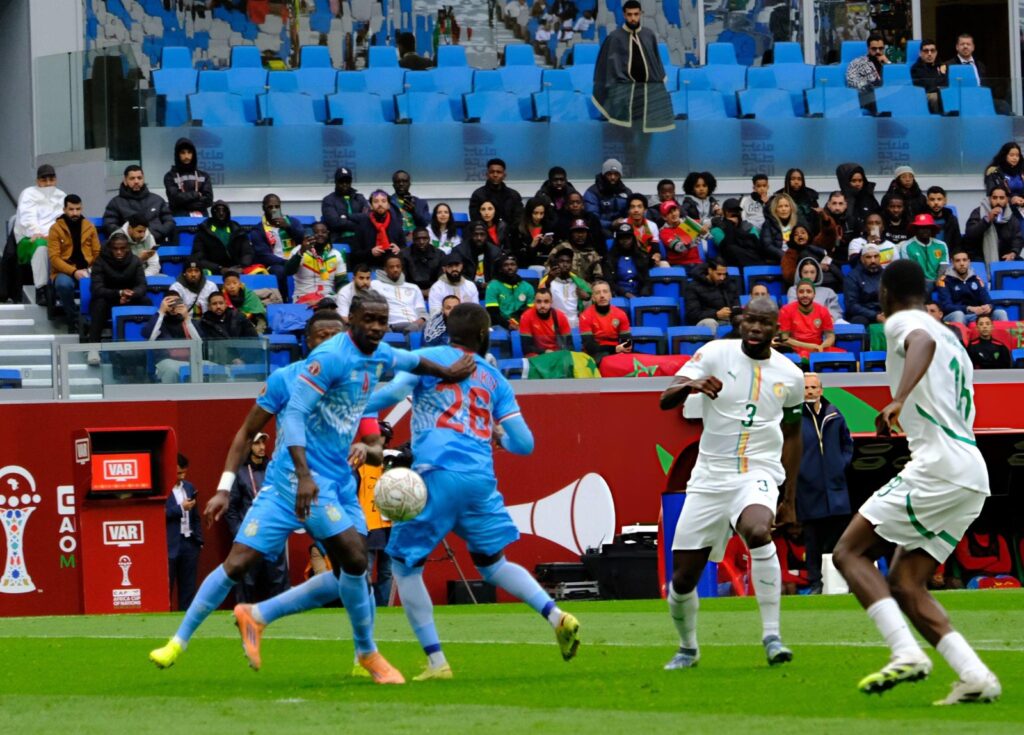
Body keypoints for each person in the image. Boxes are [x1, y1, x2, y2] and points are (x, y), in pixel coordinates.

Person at [149, 292, 475, 681]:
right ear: (313, 340)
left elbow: (406, 370)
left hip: (337, 485)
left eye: (380, 321)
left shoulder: (373, 357)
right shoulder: (295, 376)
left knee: (353, 570)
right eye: (320, 335)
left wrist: (448, 373)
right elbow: (251, 430)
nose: (328, 341)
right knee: (246, 564)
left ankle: (291, 627)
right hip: (295, 482)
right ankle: (179, 641)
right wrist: (225, 486)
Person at [363, 302, 581, 678]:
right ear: (483, 336)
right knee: (492, 563)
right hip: (480, 479)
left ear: (449, 331)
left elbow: (390, 396)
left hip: (436, 473)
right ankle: (556, 615)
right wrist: (499, 438)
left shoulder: (427, 357)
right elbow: (525, 444)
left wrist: (347, 405)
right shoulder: (495, 378)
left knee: (403, 565)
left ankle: (437, 662)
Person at [832, 259, 1001, 705]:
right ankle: (975, 676)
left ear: (885, 292)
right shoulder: (955, 339)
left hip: (938, 465)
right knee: (907, 581)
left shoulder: (907, 322)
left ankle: (905, 652)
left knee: (848, 552)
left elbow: (918, 340)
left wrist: (898, 399)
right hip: (970, 471)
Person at [658, 296, 804, 670]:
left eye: (764, 323)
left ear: (777, 329)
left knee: (758, 531)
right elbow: (664, 399)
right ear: (741, 323)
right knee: (682, 581)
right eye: (750, 321)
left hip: (758, 471)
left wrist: (789, 500)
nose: (756, 328)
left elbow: (792, 435)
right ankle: (688, 648)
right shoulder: (714, 353)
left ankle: (772, 636)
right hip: (709, 477)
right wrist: (692, 385)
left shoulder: (790, 375)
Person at [797, 373, 853, 594]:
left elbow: (847, 444)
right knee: (812, 541)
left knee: (840, 539)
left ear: (821, 390)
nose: (810, 391)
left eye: (813, 387)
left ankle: (844, 581)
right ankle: (815, 583)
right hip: (808, 489)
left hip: (836, 487)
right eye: (806, 388)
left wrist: (840, 465)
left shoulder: (835, 414)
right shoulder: (794, 417)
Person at [226, 432, 290, 604]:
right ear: (249, 446)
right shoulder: (239, 472)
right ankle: (242, 620)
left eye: (263, 443)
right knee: (246, 582)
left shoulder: (273, 469)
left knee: (278, 581)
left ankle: (282, 622)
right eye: (257, 443)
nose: (262, 447)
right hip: (250, 537)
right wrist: (240, 534)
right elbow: (231, 509)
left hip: (273, 535)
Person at [591, 0, 674, 132]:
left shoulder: (648, 35)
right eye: (629, 14)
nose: (633, 18)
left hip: (647, 91)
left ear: (640, 14)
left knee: (645, 134)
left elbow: (655, 61)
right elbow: (608, 66)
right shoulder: (614, 37)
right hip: (625, 92)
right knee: (626, 133)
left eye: (636, 14)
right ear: (624, 15)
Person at [87, 233, 150, 351]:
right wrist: (119, 293)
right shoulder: (100, 261)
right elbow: (96, 289)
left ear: (128, 248)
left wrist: (132, 294)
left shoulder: (135, 261)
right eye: (115, 249)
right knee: (99, 304)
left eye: (122, 249)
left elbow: (142, 285)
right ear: (110, 248)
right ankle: (93, 348)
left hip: (129, 298)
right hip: (108, 299)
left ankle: (149, 345)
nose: (119, 252)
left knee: (146, 301)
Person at [48, 194, 101, 333]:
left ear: (81, 208)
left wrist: (91, 269)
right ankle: (73, 319)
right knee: (63, 284)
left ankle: (92, 320)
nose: (75, 213)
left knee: (100, 283)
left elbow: (97, 253)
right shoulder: (55, 229)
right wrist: (73, 272)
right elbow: (54, 258)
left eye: (78, 209)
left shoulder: (89, 227)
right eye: (71, 209)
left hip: (87, 269)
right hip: (64, 270)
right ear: (64, 209)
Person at [15, 164, 66, 303]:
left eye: (51, 179)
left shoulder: (62, 196)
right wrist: (37, 232)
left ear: (56, 179)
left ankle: (62, 288)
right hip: (29, 239)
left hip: (53, 237)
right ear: (37, 181)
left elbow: (63, 220)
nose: (48, 183)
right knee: (41, 246)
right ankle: (41, 289)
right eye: (44, 180)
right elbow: (27, 217)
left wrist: (54, 235)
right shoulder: (28, 193)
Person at [249, 194, 307, 297]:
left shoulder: (292, 222)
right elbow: (264, 255)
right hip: (276, 263)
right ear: (263, 208)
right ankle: (284, 301)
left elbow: (303, 240)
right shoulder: (258, 230)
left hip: (297, 258)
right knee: (280, 271)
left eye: (277, 206)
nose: (274, 210)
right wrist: (287, 263)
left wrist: (288, 227)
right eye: (270, 207)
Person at [102, 165, 176, 244]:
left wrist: (158, 233)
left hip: (157, 243)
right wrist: (129, 235)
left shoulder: (157, 200)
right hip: (129, 247)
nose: (136, 181)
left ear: (143, 179)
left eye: (139, 178)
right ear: (125, 181)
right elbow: (109, 224)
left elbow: (169, 221)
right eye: (132, 178)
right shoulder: (116, 203)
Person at [167, 454, 203, 610]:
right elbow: (157, 514)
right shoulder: (162, 489)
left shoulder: (189, 487)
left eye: (184, 473)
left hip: (189, 542)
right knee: (167, 586)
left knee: (188, 588)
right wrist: (180, 508)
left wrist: (199, 540)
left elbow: (196, 516)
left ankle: (186, 623)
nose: (182, 476)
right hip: (169, 544)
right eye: (178, 473)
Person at [143, 294, 205, 383]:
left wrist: (187, 318)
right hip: (166, 361)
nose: (173, 305)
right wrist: (161, 311)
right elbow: (150, 337)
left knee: (212, 367)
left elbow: (199, 343)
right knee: (172, 369)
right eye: (170, 302)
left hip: (191, 361)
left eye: (177, 302)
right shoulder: (158, 321)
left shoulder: (189, 322)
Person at [938, 252, 1007, 325]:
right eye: (958, 260)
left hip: (976, 315)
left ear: (969, 262)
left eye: (964, 260)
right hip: (957, 316)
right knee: (958, 315)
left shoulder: (976, 279)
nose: (962, 263)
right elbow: (946, 306)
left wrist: (989, 307)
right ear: (952, 263)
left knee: (1000, 313)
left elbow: (988, 301)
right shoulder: (944, 281)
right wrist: (968, 308)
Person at [286, 222, 346, 306]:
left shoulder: (336, 255)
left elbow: (342, 283)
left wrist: (341, 300)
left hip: (329, 300)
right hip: (303, 299)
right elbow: (288, 271)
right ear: (310, 234)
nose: (320, 234)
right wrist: (301, 252)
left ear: (328, 234)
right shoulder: (298, 251)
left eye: (323, 232)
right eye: (316, 232)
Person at [777, 280, 837, 360]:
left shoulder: (823, 310)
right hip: (795, 349)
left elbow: (830, 336)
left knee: (844, 356)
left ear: (814, 294)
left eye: (808, 292)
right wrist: (808, 346)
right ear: (797, 294)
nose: (805, 295)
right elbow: (784, 339)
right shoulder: (786, 310)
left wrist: (822, 346)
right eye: (801, 292)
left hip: (818, 349)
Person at [963, 186, 1024, 263]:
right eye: (994, 198)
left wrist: (1013, 253)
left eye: (1001, 198)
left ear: (1007, 200)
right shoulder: (978, 212)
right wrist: (987, 219)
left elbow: (1017, 238)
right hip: (979, 257)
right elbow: (970, 235)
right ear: (989, 199)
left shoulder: (1011, 216)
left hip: (1004, 257)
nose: (998, 201)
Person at [191, 201, 253, 276]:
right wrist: (219, 269)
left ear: (228, 212)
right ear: (213, 212)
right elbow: (199, 258)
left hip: (238, 269)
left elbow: (247, 253)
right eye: (217, 210)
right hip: (214, 270)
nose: (221, 213)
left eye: (224, 210)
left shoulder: (238, 230)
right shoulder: (203, 231)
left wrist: (242, 266)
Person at [370, 254, 427, 333]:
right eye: (391, 267)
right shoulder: (375, 285)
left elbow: (422, 314)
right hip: (392, 326)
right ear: (385, 269)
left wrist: (416, 324)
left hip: (414, 325)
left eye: (398, 266)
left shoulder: (414, 288)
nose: (395, 269)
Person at [579, 280, 631, 364]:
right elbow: (590, 347)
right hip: (595, 355)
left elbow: (627, 343)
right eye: (597, 293)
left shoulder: (621, 314)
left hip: (617, 352)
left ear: (610, 295)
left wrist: (617, 350)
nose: (602, 295)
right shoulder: (585, 316)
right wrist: (615, 349)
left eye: (605, 292)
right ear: (593, 297)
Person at [353, 190, 405, 271]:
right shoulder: (362, 225)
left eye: (383, 201)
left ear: (388, 205)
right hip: (371, 267)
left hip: (393, 267)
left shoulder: (396, 224)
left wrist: (399, 250)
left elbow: (404, 248)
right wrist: (370, 252)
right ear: (371, 206)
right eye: (376, 201)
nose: (380, 204)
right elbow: (356, 253)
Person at [540, 247, 592, 328]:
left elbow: (590, 298)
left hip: (575, 324)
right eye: (562, 261)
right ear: (556, 263)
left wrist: (587, 297)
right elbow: (540, 298)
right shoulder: (548, 280)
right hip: (554, 323)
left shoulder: (578, 282)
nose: (565, 265)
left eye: (568, 262)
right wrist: (549, 281)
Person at [685, 258, 739, 333]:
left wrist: (733, 311)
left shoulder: (729, 284)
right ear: (710, 270)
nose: (722, 278)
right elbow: (692, 315)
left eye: (724, 274)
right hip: (705, 321)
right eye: (719, 274)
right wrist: (716, 314)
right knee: (710, 323)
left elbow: (736, 305)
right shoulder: (693, 287)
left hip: (728, 319)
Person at [163, 137, 213, 217]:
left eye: (189, 152)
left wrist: (183, 202)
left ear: (194, 154)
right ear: (177, 155)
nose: (186, 156)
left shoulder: (204, 176)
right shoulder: (170, 176)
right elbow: (174, 199)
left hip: (202, 221)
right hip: (179, 220)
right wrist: (196, 195)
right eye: (183, 153)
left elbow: (208, 200)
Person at [711, 198, 768, 269]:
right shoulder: (717, 229)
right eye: (730, 211)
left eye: (737, 211)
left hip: (750, 257)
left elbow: (756, 245)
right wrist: (730, 225)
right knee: (732, 248)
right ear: (724, 212)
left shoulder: (748, 226)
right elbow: (726, 247)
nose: (734, 213)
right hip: (729, 261)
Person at [321, 166, 369, 250]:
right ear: (335, 182)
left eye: (347, 181)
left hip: (361, 238)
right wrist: (359, 224)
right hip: (339, 239)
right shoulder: (328, 200)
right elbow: (335, 223)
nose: (344, 184)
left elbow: (368, 217)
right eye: (341, 181)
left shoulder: (360, 198)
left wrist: (347, 216)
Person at [787, 258, 844, 325]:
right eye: (805, 272)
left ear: (817, 273)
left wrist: (831, 318)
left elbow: (835, 311)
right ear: (800, 274)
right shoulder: (794, 290)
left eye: (812, 272)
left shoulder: (828, 292)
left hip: (826, 325)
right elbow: (794, 311)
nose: (809, 276)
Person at [485, 254, 535, 329]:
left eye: (512, 264)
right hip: (500, 325)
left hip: (522, 323)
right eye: (506, 265)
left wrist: (518, 323)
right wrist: (508, 325)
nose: (510, 267)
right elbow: (493, 313)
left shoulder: (528, 287)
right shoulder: (493, 286)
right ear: (501, 269)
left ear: (517, 268)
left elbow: (530, 311)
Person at [518, 287, 572, 356]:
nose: (542, 305)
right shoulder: (526, 317)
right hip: (537, 355)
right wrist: (545, 352)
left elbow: (569, 346)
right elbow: (526, 348)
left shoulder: (561, 317)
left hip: (556, 355)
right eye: (539, 301)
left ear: (551, 302)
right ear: (534, 302)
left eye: (546, 301)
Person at [469, 158, 523, 226]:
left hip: (510, 234)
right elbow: (475, 219)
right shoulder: (477, 195)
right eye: (492, 172)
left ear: (504, 175)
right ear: (487, 174)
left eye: (499, 172)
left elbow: (518, 218)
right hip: (485, 233)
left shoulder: (514, 195)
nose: (495, 175)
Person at [452, 222, 502, 294]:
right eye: (476, 234)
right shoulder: (460, 251)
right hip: (465, 288)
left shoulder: (495, 252)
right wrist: (477, 284)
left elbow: (500, 272)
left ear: (487, 235)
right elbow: (456, 273)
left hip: (490, 289)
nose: (479, 238)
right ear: (471, 235)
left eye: (482, 234)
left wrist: (494, 281)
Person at [583, 158, 631, 235]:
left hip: (623, 229)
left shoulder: (627, 192)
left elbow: (631, 213)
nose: (613, 177)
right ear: (603, 175)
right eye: (609, 174)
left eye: (616, 174)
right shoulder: (592, 193)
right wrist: (611, 224)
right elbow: (592, 219)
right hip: (601, 231)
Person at [900, 214, 949, 289]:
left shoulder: (941, 245)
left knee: (946, 287)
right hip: (918, 282)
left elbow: (943, 267)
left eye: (927, 227)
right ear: (915, 229)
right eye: (921, 228)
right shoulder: (907, 246)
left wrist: (938, 281)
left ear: (932, 229)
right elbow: (909, 271)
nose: (925, 230)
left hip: (939, 279)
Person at [507, 197, 556, 269]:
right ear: (529, 212)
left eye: (541, 213)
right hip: (523, 266)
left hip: (543, 265)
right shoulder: (518, 228)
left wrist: (547, 244)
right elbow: (516, 254)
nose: (538, 217)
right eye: (535, 213)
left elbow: (548, 253)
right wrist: (531, 246)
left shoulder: (548, 227)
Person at [606, 222, 651, 297]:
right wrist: (625, 293)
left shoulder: (641, 256)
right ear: (617, 240)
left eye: (628, 237)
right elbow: (610, 282)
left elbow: (647, 280)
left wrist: (643, 294)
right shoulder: (609, 258)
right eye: (622, 238)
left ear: (633, 239)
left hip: (639, 295)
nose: (625, 241)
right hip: (618, 295)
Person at [846, 32, 888, 111]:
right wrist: (868, 83)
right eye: (874, 49)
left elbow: (897, 81)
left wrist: (887, 63)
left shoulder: (887, 64)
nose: (878, 51)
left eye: (881, 48)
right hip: (867, 96)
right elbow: (851, 81)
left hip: (887, 95)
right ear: (868, 48)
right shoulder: (857, 63)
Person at [844, 245, 884, 327]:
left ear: (880, 258)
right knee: (859, 322)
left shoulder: (887, 274)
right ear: (862, 259)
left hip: (884, 311)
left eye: (876, 256)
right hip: (863, 314)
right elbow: (851, 305)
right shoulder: (852, 277)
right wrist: (875, 315)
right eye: (868, 257)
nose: (873, 260)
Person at [559, 218, 607, 283]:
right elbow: (549, 267)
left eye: (583, 232)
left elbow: (598, 277)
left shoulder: (592, 253)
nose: (580, 235)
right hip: (562, 285)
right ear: (571, 234)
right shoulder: (562, 248)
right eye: (577, 232)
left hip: (585, 288)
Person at [399, 227, 442, 299]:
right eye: (418, 239)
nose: (421, 242)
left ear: (429, 239)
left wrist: (432, 290)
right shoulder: (403, 254)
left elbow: (441, 278)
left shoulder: (439, 254)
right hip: (409, 292)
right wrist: (418, 292)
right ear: (413, 240)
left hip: (434, 291)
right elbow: (402, 278)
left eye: (425, 238)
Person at [836, 163, 880, 233]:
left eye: (860, 180)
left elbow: (876, 221)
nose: (858, 184)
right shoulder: (838, 199)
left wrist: (874, 238)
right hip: (845, 241)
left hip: (868, 240)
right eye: (853, 181)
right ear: (845, 181)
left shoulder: (869, 198)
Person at [390, 169, 430, 242]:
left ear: (409, 184)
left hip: (417, 242)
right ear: (393, 185)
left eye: (404, 181)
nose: (401, 184)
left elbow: (425, 224)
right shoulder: (387, 203)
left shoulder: (421, 203)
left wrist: (414, 213)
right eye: (398, 181)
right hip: (396, 241)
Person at [621, 193, 662, 265]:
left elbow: (655, 247)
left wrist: (656, 255)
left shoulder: (652, 225)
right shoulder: (623, 225)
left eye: (639, 207)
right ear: (628, 210)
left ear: (645, 210)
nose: (636, 210)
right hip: (628, 260)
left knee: (664, 265)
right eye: (632, 207)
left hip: (647, 259)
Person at [759, 193, 799, 263]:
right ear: (775, 209)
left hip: (795, 258)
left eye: (786, 206)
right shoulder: (768, 224)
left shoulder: (798, 222)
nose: (783, 209)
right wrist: (784, 256)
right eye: (780, 206)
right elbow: (767, 245)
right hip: (776, 259)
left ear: (791, 208)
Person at [983, 142, 1024, 210]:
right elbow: (992, 195)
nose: (1015, 158)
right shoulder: (994, 172)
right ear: (1004, 155)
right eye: (1011, 155)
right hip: (1003, 210)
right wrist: (1011, 199)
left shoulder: (1022, 171)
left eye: (1017, 155)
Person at [777, 168, 819, 234]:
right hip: (786, 232)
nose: (796, 182)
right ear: (788, 180)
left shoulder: (810, 196)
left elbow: (815, 218)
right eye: (793, 179)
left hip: (808, 232)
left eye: (799, 179)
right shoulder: (779, 196)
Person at [910, 40, 948, 114]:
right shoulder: (915, 68)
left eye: (932, 50)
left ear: (936, 53)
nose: (929, 54)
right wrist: (938, 84)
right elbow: (925, 86)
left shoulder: (942, 66)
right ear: (920, 53)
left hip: (942, 94)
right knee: (934, 97)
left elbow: (947, 82)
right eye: (926, 51)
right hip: (925, 97)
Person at [925, 186, 962, 254]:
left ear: (945, 201)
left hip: (947, 257)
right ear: (927, 201)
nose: (936, 202)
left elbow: (957, 243)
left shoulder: (952, 219)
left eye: (939, 199)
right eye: (932, 199)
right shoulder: (922, 220)